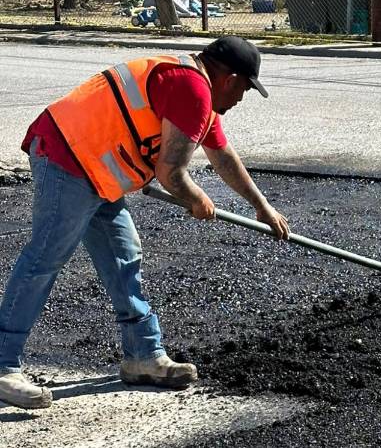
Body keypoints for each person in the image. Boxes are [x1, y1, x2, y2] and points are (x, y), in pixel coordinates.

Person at [0, 36, 290, 409]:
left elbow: (222, 155)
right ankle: (3, 364)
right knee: (45, 258)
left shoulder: (195, 89)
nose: (240, 99)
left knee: (124, 255)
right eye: (245, 89)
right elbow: (170, 173)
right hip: (66, 156)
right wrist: (197, 199)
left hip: (96, 171)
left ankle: (143, 355)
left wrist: (261, 206)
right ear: (229, 78)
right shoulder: (192, 89)